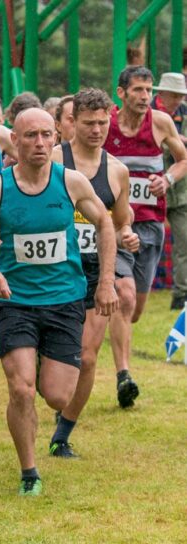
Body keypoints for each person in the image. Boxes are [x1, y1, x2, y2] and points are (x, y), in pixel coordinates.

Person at [0, 108, 118, 496]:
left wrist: (106, 283)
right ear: (13, 141)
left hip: (65, 298)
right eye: (30, 135)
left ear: (56, 138)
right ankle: (29, 470)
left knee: (57, 395)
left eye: (46, 135)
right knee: (21, 389)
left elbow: (105, 223)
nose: (39, 143)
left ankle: (48, 406)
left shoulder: (71, 182)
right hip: (15, 300)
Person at [49, 88, 138, 457]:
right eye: (89, 123)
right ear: (73, 122)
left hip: (92, 269)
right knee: (50, 359)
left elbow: (118, 221)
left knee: (87, 356)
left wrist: (126, 234)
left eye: (103, 123)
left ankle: (62, 434)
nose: (97, 130)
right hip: (50, 268)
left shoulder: (117, 171)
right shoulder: (52, 159)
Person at [105, 66, 187, 408]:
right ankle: (124, 375)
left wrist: (166, 179)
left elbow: (183, 159)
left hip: (150, 224)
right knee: (123, 296)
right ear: (121, 92)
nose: (144, 96)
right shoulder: (105, 125)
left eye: (147, 90)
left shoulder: (160, 122)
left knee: (135, 308)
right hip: (113, 223)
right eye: (137, 89)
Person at [149, 73, 187, 309]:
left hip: (180, 189)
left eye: (181, 96)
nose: (178, 100)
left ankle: (181, 295)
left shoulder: (185, 113)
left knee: (184, 242)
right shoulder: (147, 113)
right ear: (161, 93)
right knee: (142, 242)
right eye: (174, 95)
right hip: (148, 190)